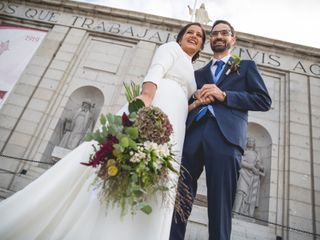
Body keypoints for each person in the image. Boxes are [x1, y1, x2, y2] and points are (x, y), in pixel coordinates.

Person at [0, 22, 206, 240]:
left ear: (202, 44)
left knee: (156, 176)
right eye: (189, 33)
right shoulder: (170, 49)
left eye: (199, 35)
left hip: (176, 122)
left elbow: (181, 96)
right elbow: (156, 70)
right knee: (129, 164)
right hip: (156, 109)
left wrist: (193, 105)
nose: (193, 36)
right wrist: (146, 96)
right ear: (180, 37)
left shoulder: (190, 68)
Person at [169, 20, 272, 240]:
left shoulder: (245, 67)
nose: (218, 36)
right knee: (179, 198)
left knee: (221, 204)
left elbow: (263, 100)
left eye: (224, 33)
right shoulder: (197, 74)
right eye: (214, 34)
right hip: (192, 136)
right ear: (210, 41)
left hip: (226, 139)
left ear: (232, 39)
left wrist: (224, 95)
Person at [233, 137, 265, 217]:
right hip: (243, 173)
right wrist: (251, 167)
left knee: (250, 196)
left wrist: (261, 168)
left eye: (252, 141)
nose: (250, 142)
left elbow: (259, 165)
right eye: (249, 141)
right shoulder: (243, 151)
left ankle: (246, 213)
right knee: (240, 191)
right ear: (247, 142)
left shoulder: (256, 154)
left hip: (253, 177)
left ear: (254, 144)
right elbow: (239, 161)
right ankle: (236, 211)